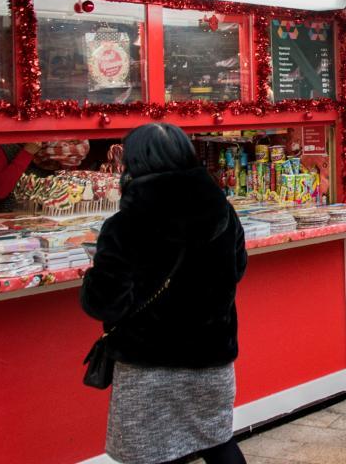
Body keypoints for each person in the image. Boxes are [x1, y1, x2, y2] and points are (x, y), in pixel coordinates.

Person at [81, 123, 248, 464]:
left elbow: (104, 303)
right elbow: (238, 269)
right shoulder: (222, 211)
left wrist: (92, 278)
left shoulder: (124, 226)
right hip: (211, 356)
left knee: (150, 453)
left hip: (148, 365)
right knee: (217, 441)